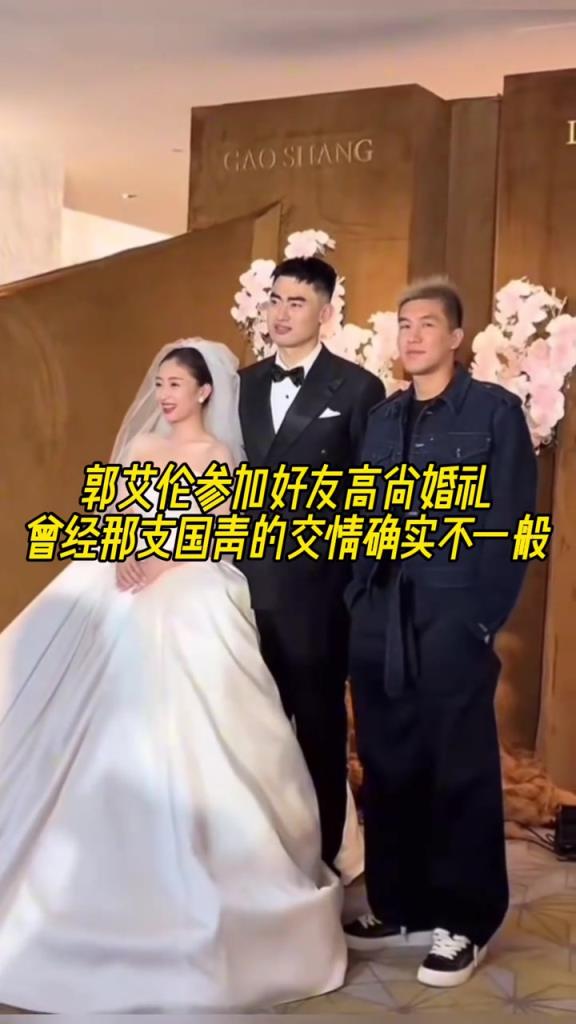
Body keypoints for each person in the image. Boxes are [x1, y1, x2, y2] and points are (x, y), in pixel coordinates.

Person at [0, 339, 347, 1014]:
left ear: (204, 392)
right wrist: (127, 553)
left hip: (189, 576)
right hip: (123, 571)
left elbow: (217, 534)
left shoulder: (218, 458)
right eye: (159, 384)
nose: (164, 396)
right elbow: (112, 516)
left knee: (191, 660)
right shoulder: (141, 449)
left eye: (176, 385)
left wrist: (162, 560)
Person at [343, 278, 538, 987]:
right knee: (390, 762)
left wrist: (481, 617)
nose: (413, 335)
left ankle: (466, 920)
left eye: (427, 324)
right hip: (381, 613)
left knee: (459, 767)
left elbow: (518, 524)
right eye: (404, 324)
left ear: (457, 337)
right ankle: (402, 904)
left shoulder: (493, 412)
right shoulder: (382, 419)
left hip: (452, 613)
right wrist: (358, 594)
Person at [238, 257, 385, 876]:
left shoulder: (357, 389)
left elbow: (371, 495)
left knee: (319, 735)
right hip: (242, 588)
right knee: (250, 732)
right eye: (275, 299)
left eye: (296, 302)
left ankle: (323, 870)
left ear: (325, 312)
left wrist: (353, 591)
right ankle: (259, 870)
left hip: (318, 595)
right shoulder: (242, 384)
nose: (280, 312)